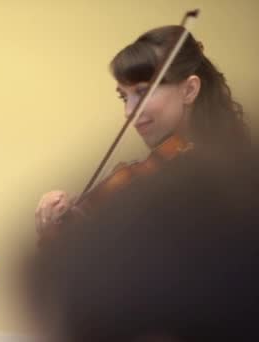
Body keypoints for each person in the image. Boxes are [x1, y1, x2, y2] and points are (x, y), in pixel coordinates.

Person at [35, 25, 249, 239]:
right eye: (124, 97)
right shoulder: (160, 174)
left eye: (143, 92)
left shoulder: (224, 183)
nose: (129, 111)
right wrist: (56, 227)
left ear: (189, 90)